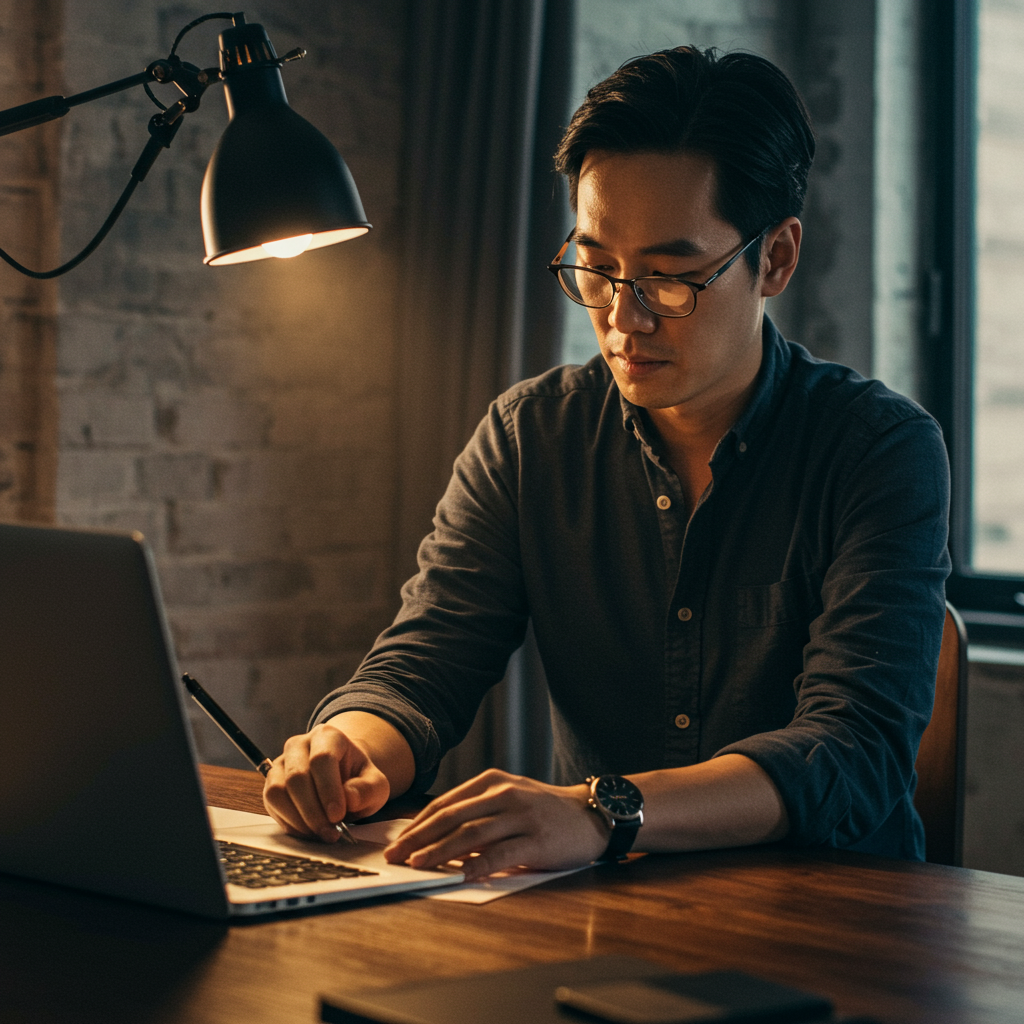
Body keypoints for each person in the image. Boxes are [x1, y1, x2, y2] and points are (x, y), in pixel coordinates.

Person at [263, 47, 950, 878]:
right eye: (596, 266)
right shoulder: (530, 438)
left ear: (775, 259)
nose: (624, 317)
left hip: (839, 924)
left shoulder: (879, 449)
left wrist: (602, 810)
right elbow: (429, 656)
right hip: (605, 911)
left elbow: (853, 750)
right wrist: (350, 745)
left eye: (670, 277)